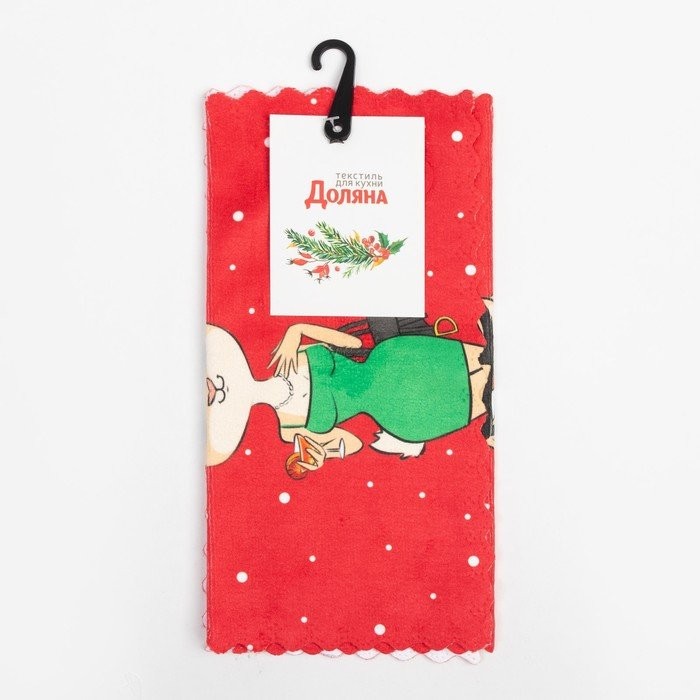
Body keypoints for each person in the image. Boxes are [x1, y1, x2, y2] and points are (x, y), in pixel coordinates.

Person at [205, 301, 493, 472]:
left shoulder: (294, 354)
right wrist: (323, 455)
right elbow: (353, 442)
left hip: (396, 360)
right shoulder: (290, 431)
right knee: (489, 398)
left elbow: (353, 343)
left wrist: (297, 330)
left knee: (492, 361)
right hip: (402, 413)